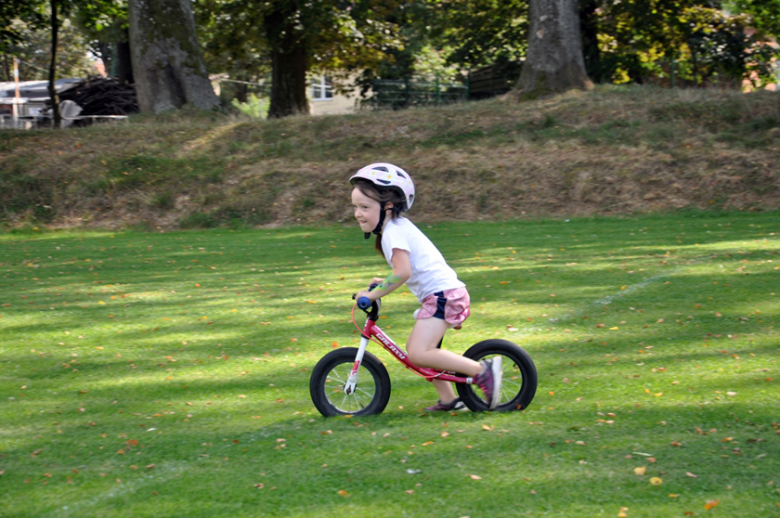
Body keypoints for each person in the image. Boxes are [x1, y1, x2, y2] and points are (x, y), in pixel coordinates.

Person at [351, 162, 503, 411]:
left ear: (388, 207)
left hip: (444, 296)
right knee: (427, 351)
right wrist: (380, 283)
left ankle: (482, 371)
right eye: (355, 207)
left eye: (365, 207)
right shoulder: (396, 228)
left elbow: (403, 272)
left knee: (417, 352)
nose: (358, 213)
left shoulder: (392, 233)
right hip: (444, 295)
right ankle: (450, 400)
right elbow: (407, 270)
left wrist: (371, 295)